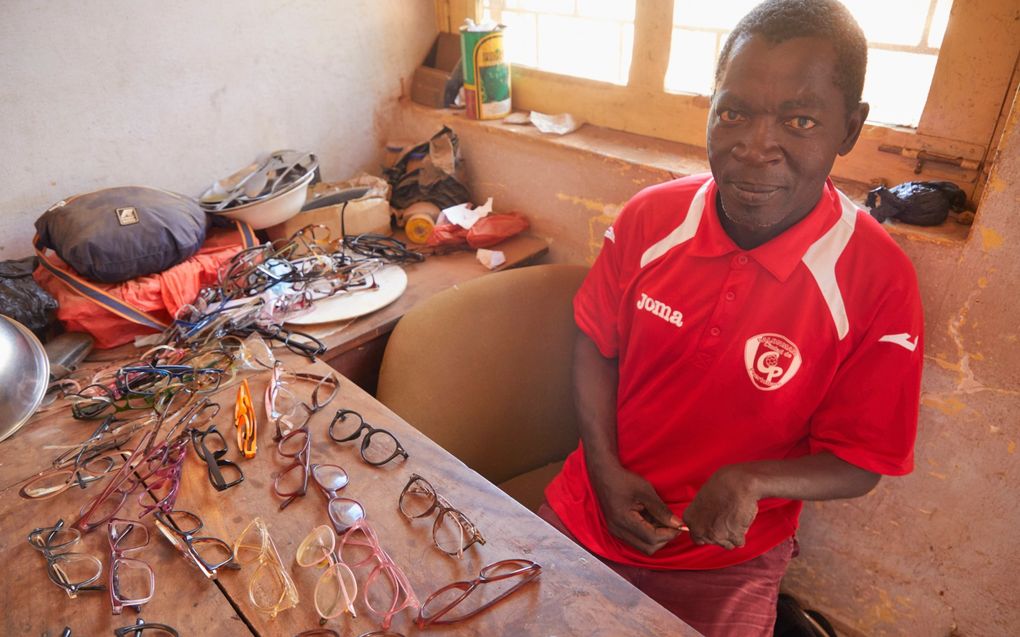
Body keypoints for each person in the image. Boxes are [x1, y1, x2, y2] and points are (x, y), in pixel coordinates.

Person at [540, 1, 924, 635]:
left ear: (850, 130)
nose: (754, 148)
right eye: (734, 113)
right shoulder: (650, 219)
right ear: (711, 107)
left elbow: (862, 460)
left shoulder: (876, 277)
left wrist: (753, 480)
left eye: (800, 120)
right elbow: (595, 344)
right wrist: (604, 471)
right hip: (590, 507)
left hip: (726, 558)